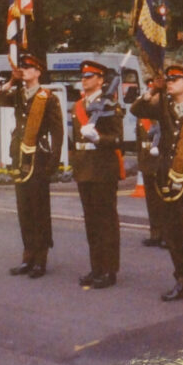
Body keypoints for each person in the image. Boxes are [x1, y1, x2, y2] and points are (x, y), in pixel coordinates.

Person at [130, 65, 183, 305]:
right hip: (165, 178)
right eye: (168, 80)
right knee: (172, 234)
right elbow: (136, 109)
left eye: (175, 80)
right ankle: (180, 279)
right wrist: (152, 91)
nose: (169, 83)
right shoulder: (163, 106)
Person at [0, 54, 64, 279]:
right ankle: (27, 256)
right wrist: (11, 81)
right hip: (19, 156)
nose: (25, 70)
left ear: (38, 72)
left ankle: (40, 259)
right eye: (23, 67)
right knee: (24, 209)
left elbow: (57, 132)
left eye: (29, 68)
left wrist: (54, 162)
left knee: (39, 209)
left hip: (38, 157)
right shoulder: (18, 94)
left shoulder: (47, 97)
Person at [70, 60, 124, 290]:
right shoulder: (79, 105)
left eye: (90, 76)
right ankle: (96, 267)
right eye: (83, 76)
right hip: (85, 169)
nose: (85, 79)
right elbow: (74, 141)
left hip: (103, 169)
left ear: (101, 80)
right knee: (91, 222)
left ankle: (109, 270)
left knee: (106, 222)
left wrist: (99, 139)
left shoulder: (110, 104)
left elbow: (119, 139)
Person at [136, 116, 165, 248]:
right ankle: (155, 233)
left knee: (163, 200)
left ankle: (166, 235)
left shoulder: (164, 117)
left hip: (161, 161)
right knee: (151, 201)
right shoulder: (141, 118)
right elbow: (139, 142)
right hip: (147, 160)